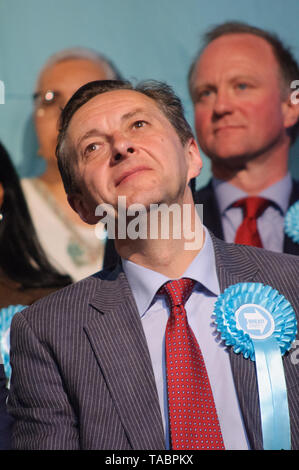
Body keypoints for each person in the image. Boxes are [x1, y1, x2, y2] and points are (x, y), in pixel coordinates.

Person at [8, 80, 299, 450]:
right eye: (93, 146)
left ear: (192, 154)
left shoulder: (293, 287)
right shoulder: (48, 334)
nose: (121, 146)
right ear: (81, 206)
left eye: (139, 125)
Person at [188, 21, 299, 255]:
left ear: (290, 107)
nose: (221, 106)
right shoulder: (155, 227)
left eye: (241, 86)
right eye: (206, 93)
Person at [21, 47, 122, 281]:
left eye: (85, 98)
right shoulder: (12, 204)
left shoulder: (146, 202)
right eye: (50, 99)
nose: (65, 114)